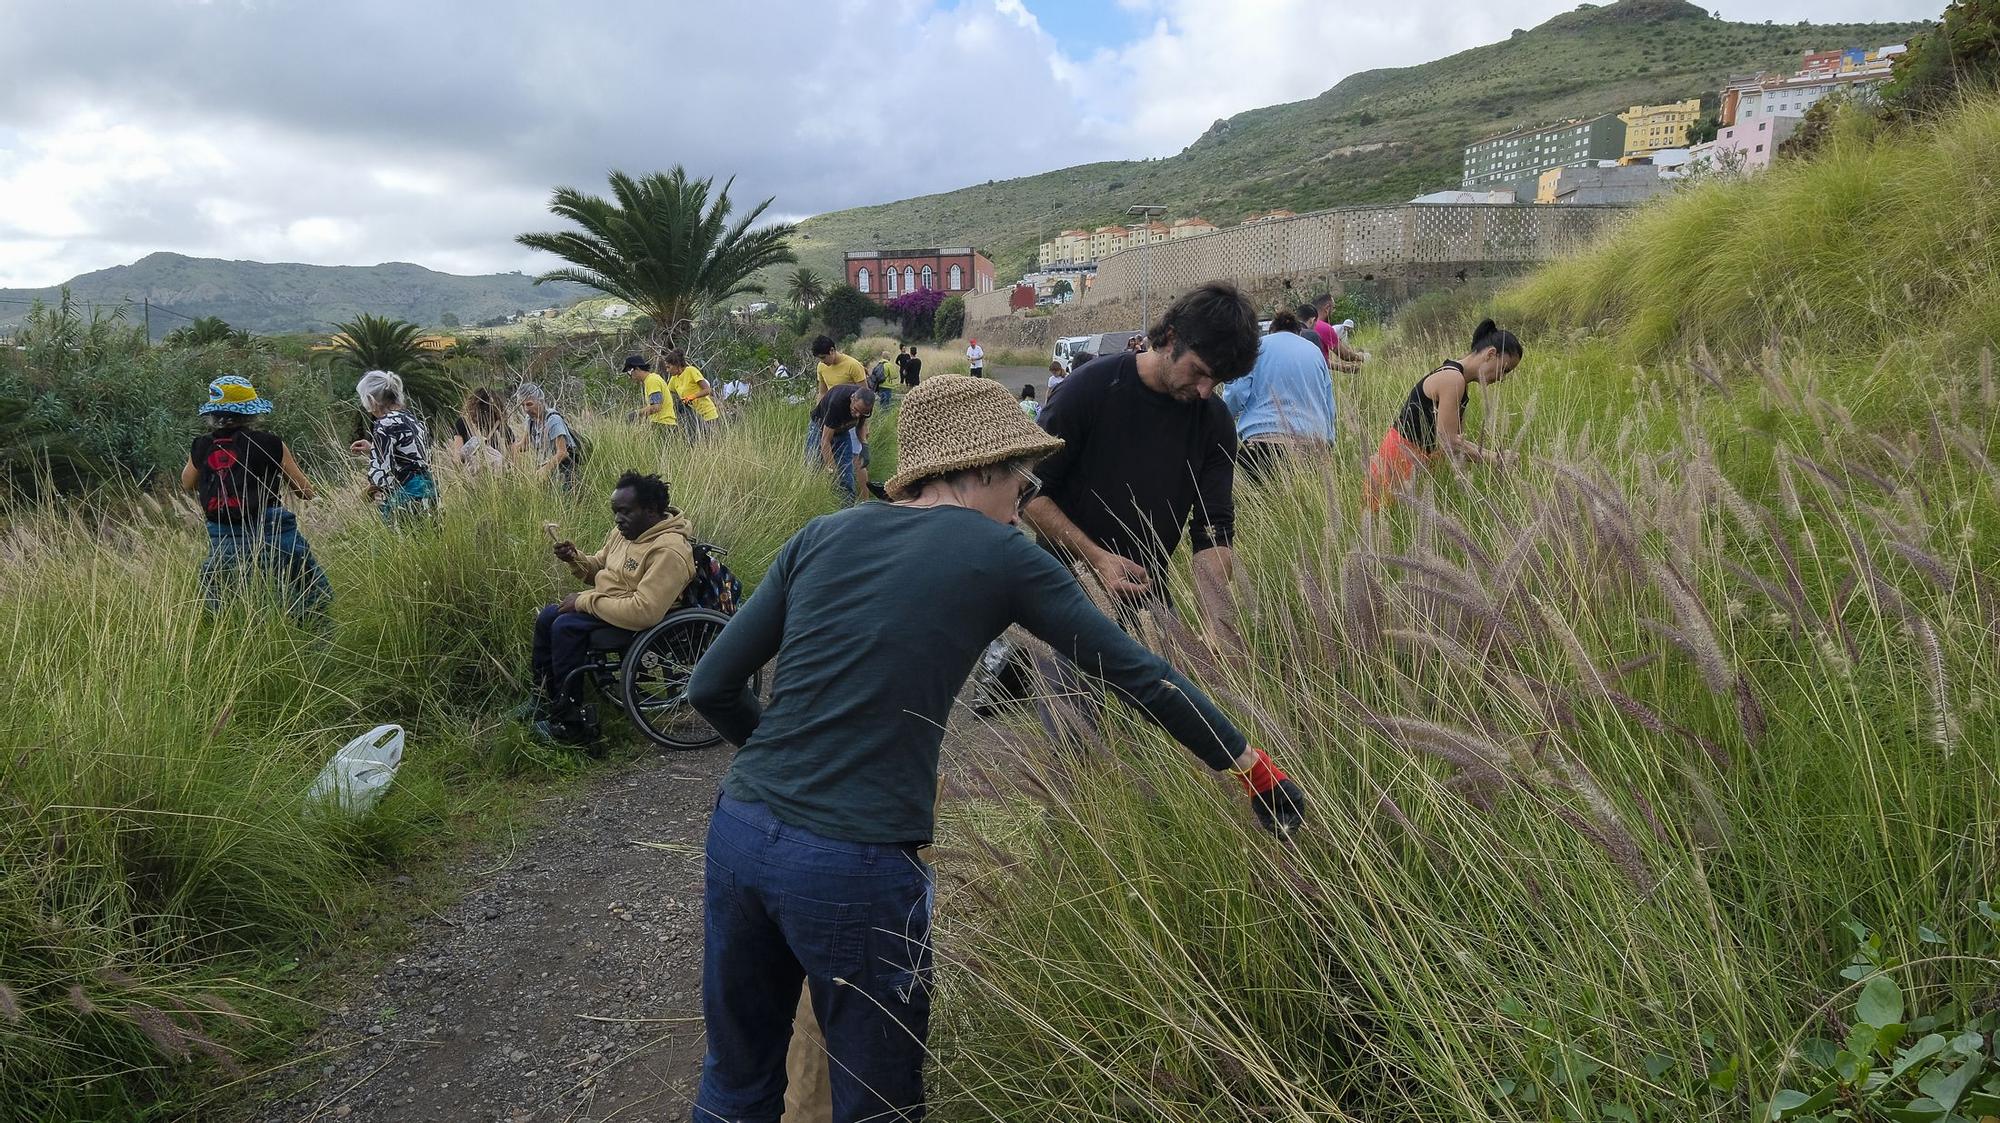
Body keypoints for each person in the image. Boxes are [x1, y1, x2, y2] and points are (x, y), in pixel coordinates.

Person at [685, 374, 1308, 1123]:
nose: (1026, 492)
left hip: (741, 833)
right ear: (977, 469)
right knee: (878, 1104)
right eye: (1020, 473)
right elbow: (1138, 672)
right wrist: (1254, 770)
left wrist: (788, 764)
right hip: (857, 862)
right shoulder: (1001, 552)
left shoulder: (824, 532)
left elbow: (710, 686)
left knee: (736, 1083)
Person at [1020, 282, 1260, 742]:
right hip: (1064, 593)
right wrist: (1097, 557)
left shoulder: (1214, 421)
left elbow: (1212, 532)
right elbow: (1031, 494)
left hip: (1146, 596)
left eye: (1219, 381)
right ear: (1170, 337)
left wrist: (1216, 621)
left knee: (1162, 741)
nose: (1207, 389)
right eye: (1200, 371)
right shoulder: (1090, 389)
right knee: (1075, 745)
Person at [533, 471, 696, 744]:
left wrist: (584, 601)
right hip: (611, 604)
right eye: (615, 512)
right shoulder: (625, 533)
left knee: (565, 626)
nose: (618, 519)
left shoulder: (668, 551)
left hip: (638, 620)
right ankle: (543, 699)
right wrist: (575, 559)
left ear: (651, 510)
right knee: (548, 616)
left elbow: (645, 611)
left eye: (625, 511)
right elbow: (599, 566)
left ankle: (571, 722)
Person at [182, 375, 331, 616]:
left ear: (213, 413)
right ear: (251, 413)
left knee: (227, 610)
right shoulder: (270, 443)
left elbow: (187, 483)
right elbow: (305, 491)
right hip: (275, 533)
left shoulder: (200, 445)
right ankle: (315, 645)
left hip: (224, 537)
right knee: (312, 601)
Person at [1364, 318, 1523, 512]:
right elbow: (1448, 440)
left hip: (1415, 463)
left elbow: (1456, 442)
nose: (1502, 378)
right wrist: (1495, 458)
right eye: (1504, 369)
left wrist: (1494, 457)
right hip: (1398, 461)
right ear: (1491, 354)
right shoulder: (1452, 379)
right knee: (1381, 522)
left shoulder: (1459, 382)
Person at [1222, 309, 1338, 483]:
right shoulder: (1314, 352)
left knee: (1259, 506)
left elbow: (1236, 392)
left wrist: (1226, 418)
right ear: (1299, 332)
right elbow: (1328, 405)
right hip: (1311, 444)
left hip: (1262, 444)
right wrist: (1328, 442)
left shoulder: (1257, 348)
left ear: (1271, 330)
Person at [349, 370, 437, 520]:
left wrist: (361, 499)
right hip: (429, 492)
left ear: (371, 400)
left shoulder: (384, 424)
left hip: (406, 500)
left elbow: (382, 476)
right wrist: (373, 449)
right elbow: (412, 457)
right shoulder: (412, 419)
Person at [810, 383, 877, 504]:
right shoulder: (837, 403)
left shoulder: (865, 405)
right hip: (820, 429)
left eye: (862, 413)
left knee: (846, 475)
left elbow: (860, 426)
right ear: (852, 399)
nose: (857, 415)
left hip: (843, 430)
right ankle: (818, 505)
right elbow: (825, 441)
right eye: (856, 410)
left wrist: (864, 446)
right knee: (814, 469)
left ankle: (848, 509)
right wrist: (832, 469)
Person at [516, 382, 580, 488]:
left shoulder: (553, 420)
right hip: (546, 470)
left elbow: (563, 452)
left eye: (529, 404)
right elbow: (524, 445)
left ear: (540, 402)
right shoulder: (530, 420)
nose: (526, 409)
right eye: (523, 405)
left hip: (564, 471)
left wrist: (545, 469)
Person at [449, 387, 514, 473]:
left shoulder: (463, 423)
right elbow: (514, 454)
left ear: (471, 404)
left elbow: (457, 459)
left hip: (473, 478)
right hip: (497, 475)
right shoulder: (500, 424)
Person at [664, 349, 719, 440]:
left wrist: (692, 397)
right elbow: (668, 393)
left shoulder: (691, 371)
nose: (667, 370)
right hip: (692, 415)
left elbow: (707, 390)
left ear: (676, 365)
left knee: (711, 441)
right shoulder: (674, 378)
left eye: (668, 367)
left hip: (706, 413)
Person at [1312, 294, 1368, 373]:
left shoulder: (1302, 326)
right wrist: (1360, 356)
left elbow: (1320, 361)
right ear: (1327, 308)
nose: (1334, 311)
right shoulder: (1324, 328)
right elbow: (1345, 355)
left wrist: (1342, 368)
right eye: (1333, 308)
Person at [625, 354, 677, 434]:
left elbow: (656, 407)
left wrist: (636, 414)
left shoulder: (652, 381)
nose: (629, 376)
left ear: (637, 368)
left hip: (663, 425)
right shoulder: (650, 380)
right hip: (662, 424)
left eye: (629, 372)